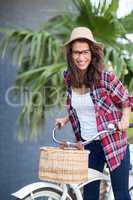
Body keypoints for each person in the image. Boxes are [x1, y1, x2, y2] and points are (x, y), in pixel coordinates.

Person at [55, 27, 133, 200]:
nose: (80, 57)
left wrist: (125, 119)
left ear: (92, 53)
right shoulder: (68, 77)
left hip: (112, 140)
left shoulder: (105, 77)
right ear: (70, 54)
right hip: (88, 144)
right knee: (89, 195)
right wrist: (65, 119)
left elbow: (125, 100)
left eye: (85, 52)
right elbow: (78, 106)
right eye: (76, 52)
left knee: (121, 194)